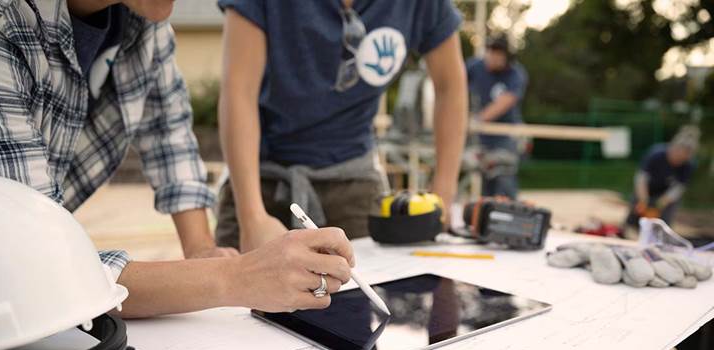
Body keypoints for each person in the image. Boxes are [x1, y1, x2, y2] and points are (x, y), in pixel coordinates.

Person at [0, 0, 355, 317]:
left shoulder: (143, 22)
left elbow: (171, 135)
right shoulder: (4, 21)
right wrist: (237, 277)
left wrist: (200, 249)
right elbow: (42, 267)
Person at [214, 0, 468, 252]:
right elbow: (239, 91)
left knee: (374, 288)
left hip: (354, 179)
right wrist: (252, 219)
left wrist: (443, 196)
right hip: (260, 180)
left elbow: (450, 86)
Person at [466, 36, 528, 200]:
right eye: (490, 52)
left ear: (507, 57)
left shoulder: (516, 74)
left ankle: (508, 214)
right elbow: (454, 84)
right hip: (483, 136)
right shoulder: (475, 66)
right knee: (486, 183)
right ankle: (486, 215)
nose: (492, 57)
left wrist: (477, 119)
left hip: (505, 135)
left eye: (498, 54)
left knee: (504, 178)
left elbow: (505, 102)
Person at [626, 125, 699, 227]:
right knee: (637, 206)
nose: (677, 161)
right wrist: (643, 199)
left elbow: (679, 188)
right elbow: (641, 178)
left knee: (668, 210)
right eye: (676, 156)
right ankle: (630, 225)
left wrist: (662, 202)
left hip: (665, 192)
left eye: (681, 159)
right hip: (647, 188)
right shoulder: (656, 154)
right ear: (672, 148)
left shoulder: (689, 165)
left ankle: (663, 228)